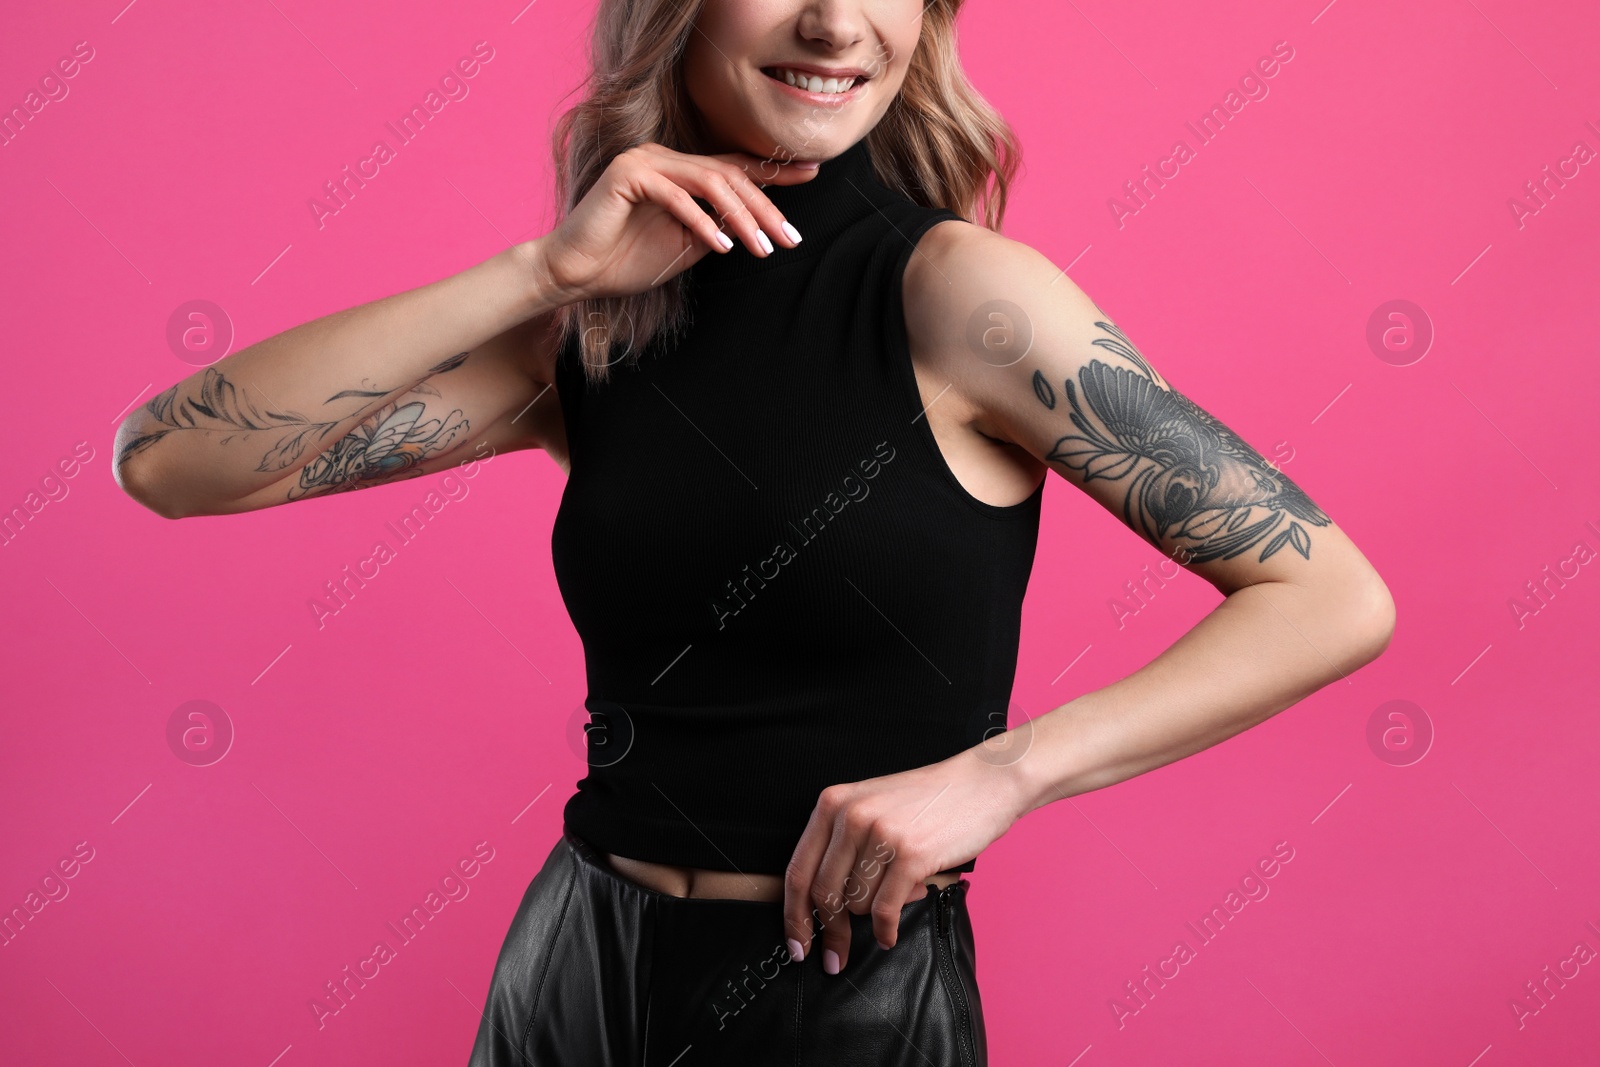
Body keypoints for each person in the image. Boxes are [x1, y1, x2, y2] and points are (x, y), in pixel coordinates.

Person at [112, 0, 1396, 1061]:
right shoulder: (606, 319)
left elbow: (1330, 596)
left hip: (844, 997)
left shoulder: (960, 296)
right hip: (571, 975)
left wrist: (1007, 772)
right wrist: (543, 272)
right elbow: (172, 461)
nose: (836, 24)